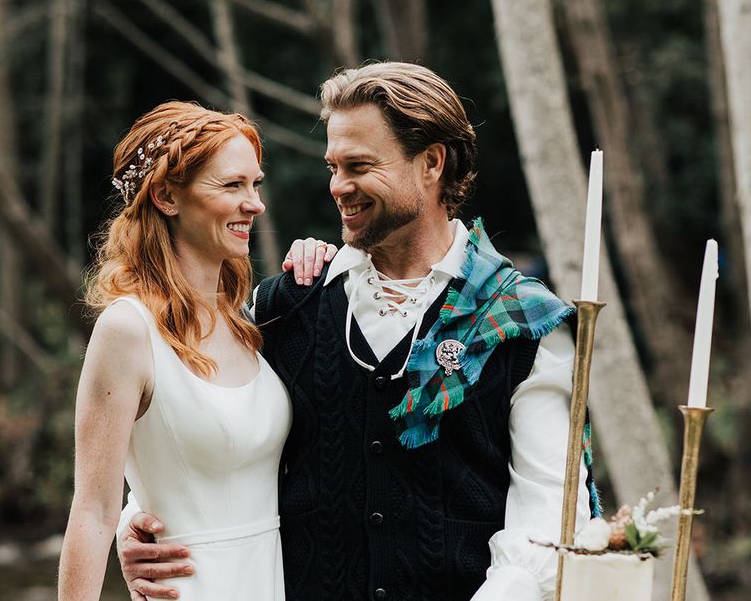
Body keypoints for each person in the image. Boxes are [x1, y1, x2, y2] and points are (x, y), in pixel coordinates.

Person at [119, 63, 597, 601]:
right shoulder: (287, 305)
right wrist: (140, 522)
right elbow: (206, 427)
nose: (338, 187)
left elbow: (553, 522)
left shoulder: (522, 323)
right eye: (333, 166)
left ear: (431, 164)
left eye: (359, 166)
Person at [57, 102, 331, 601]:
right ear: (165, 196)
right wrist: (125, 525)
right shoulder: (128, 329)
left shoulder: (247, 318)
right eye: (232, 185)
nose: (255, 204)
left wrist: (329, 265)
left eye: (256, 184)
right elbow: (92, 512)